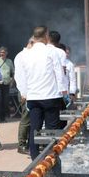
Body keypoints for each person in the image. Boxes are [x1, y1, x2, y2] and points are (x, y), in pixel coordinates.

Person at [14, 26, 67, 160]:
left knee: (35, 129)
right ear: (46, 36)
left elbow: (20, 76)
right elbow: (59, 72)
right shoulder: (51, 52)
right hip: (50, 96)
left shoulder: (25, 54)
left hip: (33, 98)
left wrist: (24, 93)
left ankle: (35, 160)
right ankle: (52, 159)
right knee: (51, 130)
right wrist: (63, 90)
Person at [14, 38, 33, 155]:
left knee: (31, 119)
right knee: (26, 119)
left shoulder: (31, 56)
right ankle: (21, 145)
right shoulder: (21, 56)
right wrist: (23, 93)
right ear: (30, 43)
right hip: (25, 92)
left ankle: (29, 143)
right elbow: (19, 77)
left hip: (32, 92)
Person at [0, 46, 15, 122]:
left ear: (7, 53)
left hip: (6, 84)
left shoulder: (9, 61)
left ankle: (3, 118)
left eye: (3, 52)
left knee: (5, 101)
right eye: (1, 52)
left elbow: (13, 72)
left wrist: (12, 81)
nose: (2, 54)